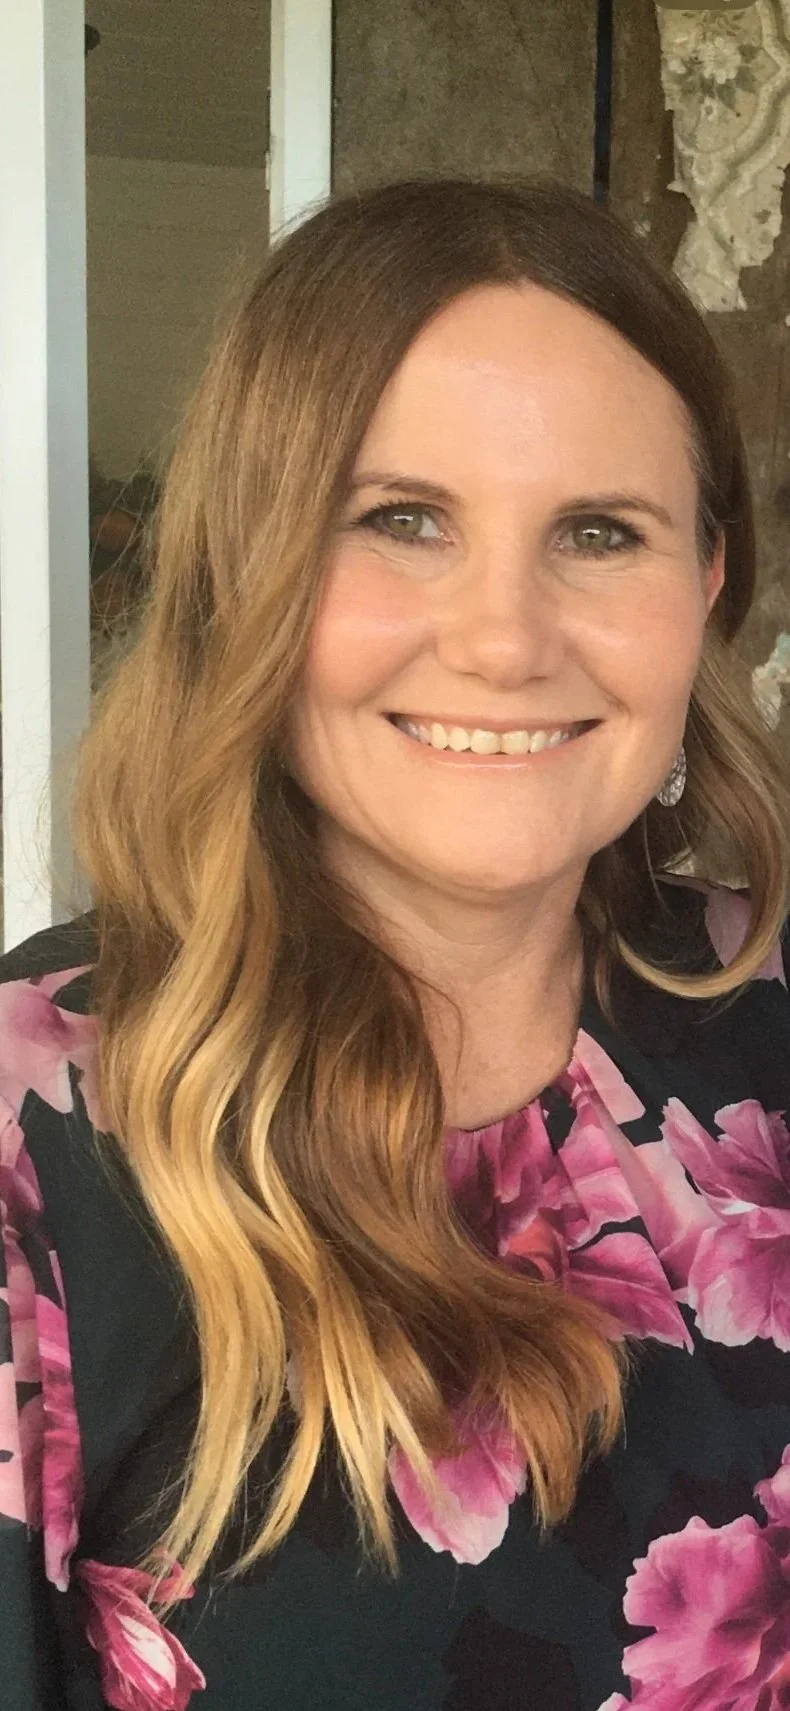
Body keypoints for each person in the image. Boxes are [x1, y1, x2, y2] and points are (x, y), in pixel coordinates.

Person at [2, 176, 789, 1711]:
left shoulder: (762, 1009)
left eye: (599, 531)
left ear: (703, 586)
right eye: (401, 520)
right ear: (247, 573)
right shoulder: (40, 1127)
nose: (504, 638)